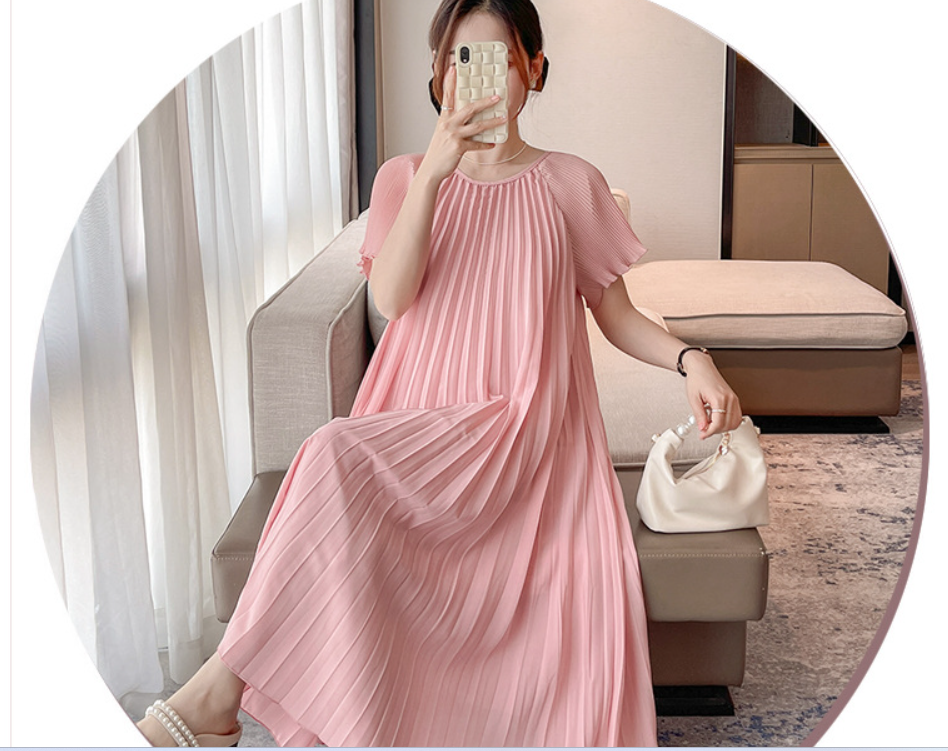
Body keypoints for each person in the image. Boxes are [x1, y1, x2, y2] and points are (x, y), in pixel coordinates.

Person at [137, 0, 742, 746]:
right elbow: (392, 299)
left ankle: (212, 700)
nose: (478, 78)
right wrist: (434, 173)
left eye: (499, 59)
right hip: (419, 425)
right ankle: (218, 696)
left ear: (533, 70)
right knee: (331, 453)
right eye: (461, 60)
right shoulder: (404, 178)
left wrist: (692, 357)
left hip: (520, 434)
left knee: (329, 451)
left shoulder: (571, 184)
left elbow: (615, 314)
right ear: (437, 74)